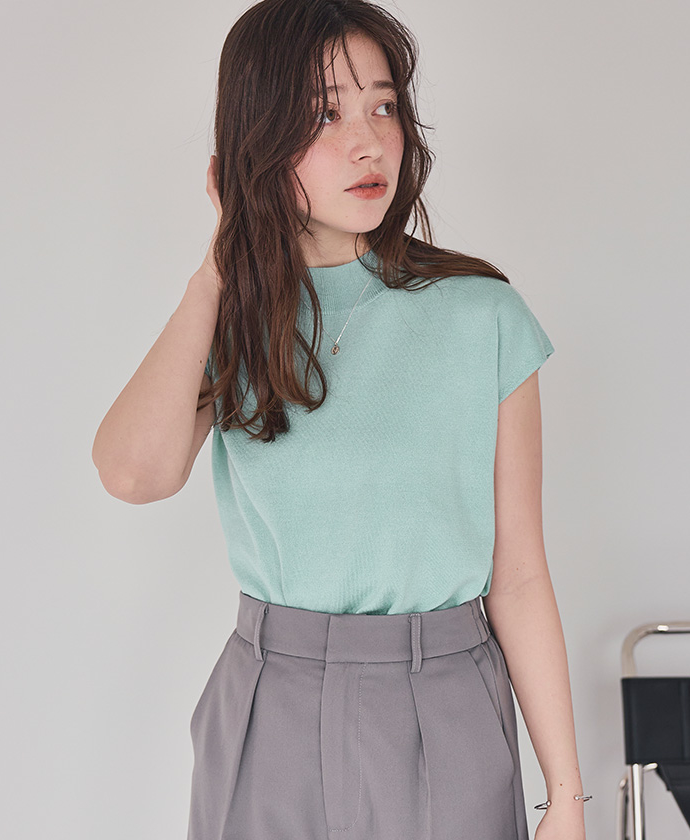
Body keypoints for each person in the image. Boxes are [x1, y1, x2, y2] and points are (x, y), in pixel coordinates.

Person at [92, 1, 590, 838]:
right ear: (257, 141)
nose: (369, 143)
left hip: (446, 697)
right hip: (268, 701)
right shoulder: (235, 322)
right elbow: (134, 474)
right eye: (325, 114)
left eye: (383, 106)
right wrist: (219, 267)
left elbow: (519, 575)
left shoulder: (482, 316)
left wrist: (566, 796)